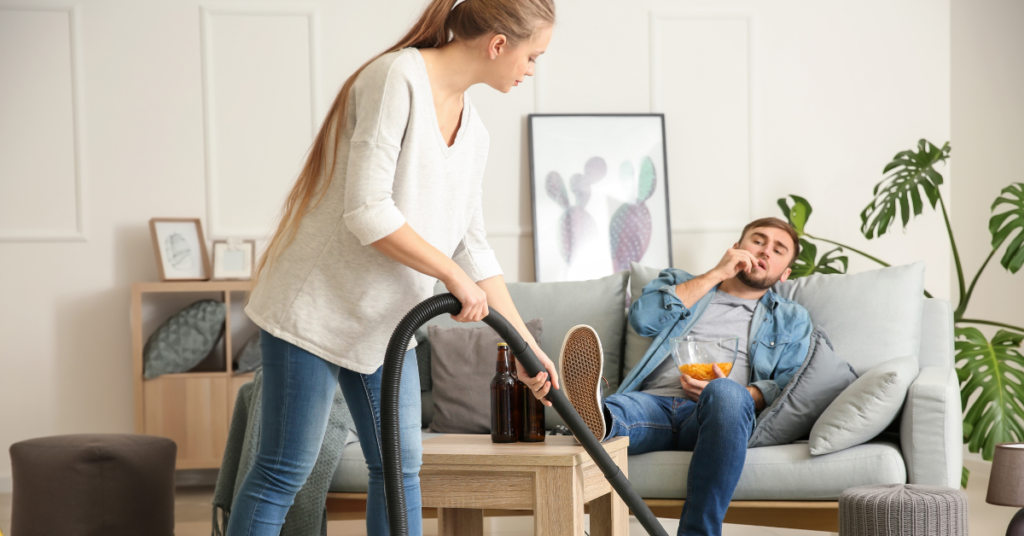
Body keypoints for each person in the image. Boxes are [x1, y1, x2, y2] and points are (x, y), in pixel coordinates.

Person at [230, 1, 558, 534]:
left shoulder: (475, 134)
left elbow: (473, 248)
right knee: (284, 469)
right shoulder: (397, 78)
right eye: (534, 56)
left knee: (400, 470)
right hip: (316, 310)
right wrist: (450, 278)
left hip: (386, 326)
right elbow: (368, 210)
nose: (531, 70)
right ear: (498, 44)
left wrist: (526, 347)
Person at [557, 217, 814, 536]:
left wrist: (744, 394)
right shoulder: (680, 282)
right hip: (653, 405)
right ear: (736, 248)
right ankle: (595, 418)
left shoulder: (791, 317)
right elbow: (643, 320)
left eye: (778, 250)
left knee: (725, 393)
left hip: (719, 413)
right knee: (620, 409)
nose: (764, 252)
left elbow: (793, 383)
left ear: (785, 273)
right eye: (758, 241)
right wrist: (717, 274)